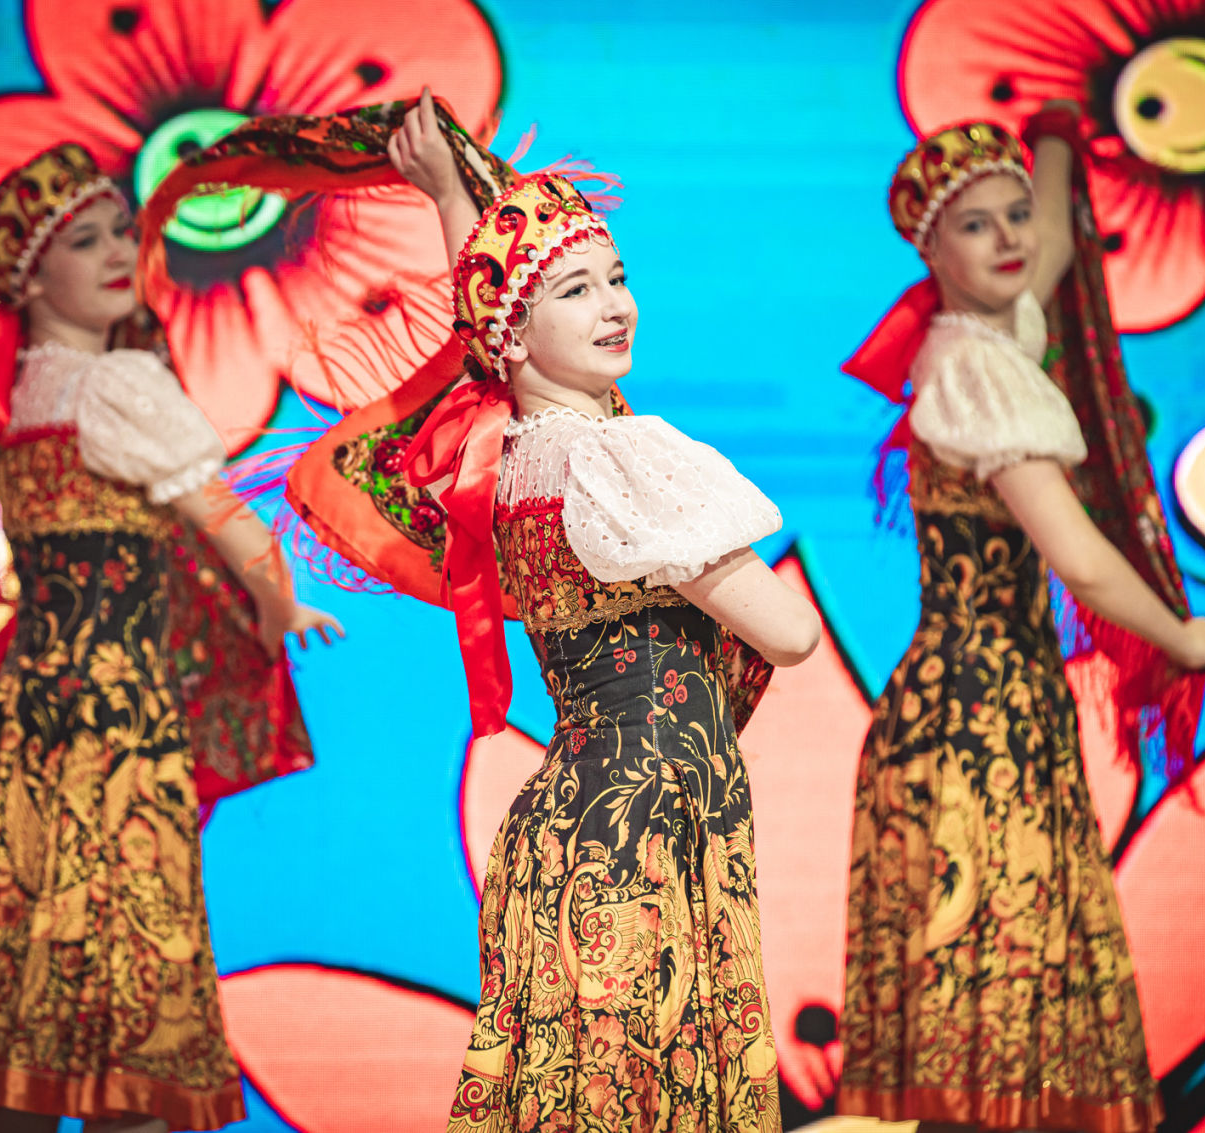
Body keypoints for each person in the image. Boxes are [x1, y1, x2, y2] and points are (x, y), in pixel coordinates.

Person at [139, 88, 821, 1130]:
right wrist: (710, 545)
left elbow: (493, 334)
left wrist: (450, 197)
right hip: (640, 837)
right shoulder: (616, 460)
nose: (614, 304)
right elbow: (791, 631)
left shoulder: (502, 466)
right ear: (516, 328)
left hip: (575, 828)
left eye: (617, 278)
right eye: (576, 289)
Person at [0, 142, 342, 1133]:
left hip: (20, 729)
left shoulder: (13, 395)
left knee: (25, 1025)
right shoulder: (118, 384)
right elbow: (232, 526)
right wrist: (277, 608)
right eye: (85, 240)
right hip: (116, 727)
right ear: (31, 276)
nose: (121, 251)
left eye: (122, 230)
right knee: (128, 1016)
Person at [836, 107, 1205, 1132]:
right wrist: (1181, 638)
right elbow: (1080, 558)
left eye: (1013, 214)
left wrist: (1053, 143)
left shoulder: (993, 330)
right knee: (990, 983)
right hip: (975, 724)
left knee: (1003, 983)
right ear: (931, 252)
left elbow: (1048, 248)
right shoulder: (976, 371)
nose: (1010, 237)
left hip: (994, 704)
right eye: (977, 225)